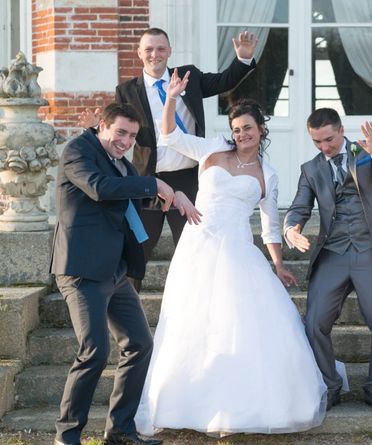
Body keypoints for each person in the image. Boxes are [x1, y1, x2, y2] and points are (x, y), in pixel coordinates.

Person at [134, 70, 327, 436]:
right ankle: (181, 402)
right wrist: (172, 97)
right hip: (199, 243)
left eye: (248, 129)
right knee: (189, 320)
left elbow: (270, 226)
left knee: (235, 322)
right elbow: (169, 136)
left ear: (261, 130)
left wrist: (279, 264)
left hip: (238, 250)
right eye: (237, 129)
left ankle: (237, 404)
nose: (241, 135)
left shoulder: (267, 175)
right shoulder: (211, 150)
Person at [49, 103, 197, 445]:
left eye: (132, 136)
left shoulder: (120, 162)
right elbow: (100, 189)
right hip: (81, 270)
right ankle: (66, 435)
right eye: (121, 133)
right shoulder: (78, 151)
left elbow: (126, 195)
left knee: (140, 344)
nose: (126, 141)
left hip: (115, 270)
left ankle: (120, 428)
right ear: (103, 126)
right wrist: (153, 182)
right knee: (94, 350)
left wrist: (163, 198)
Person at [81, 27, 257, 289]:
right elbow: (117, 130)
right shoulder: (126, 91)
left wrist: (242, 59)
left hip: (189, 180)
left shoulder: (188, 77)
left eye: (161, 48)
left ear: (170, 51)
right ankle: (127, 322)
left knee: (197, 251)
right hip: (146, 183)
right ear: (139, 53)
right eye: (149, 49)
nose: (155, 54)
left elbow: (224, 81)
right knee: (136, 252)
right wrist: (96, 129)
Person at [284, 108, 372, 413]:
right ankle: (330, 386)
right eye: (317, 142)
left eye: (328, 139)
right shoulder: (311, 169)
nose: (325, 147)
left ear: (341, 131)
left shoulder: (364, 152)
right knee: (315, 322)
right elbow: (299, 206)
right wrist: (291, 229)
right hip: (333, 252)